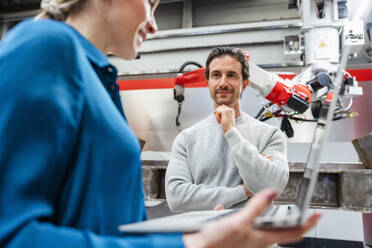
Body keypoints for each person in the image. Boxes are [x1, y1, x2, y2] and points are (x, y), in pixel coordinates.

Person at [0, 0, 320, 247]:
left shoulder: (95, 75)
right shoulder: (45, 47)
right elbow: (13, 234)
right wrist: (195, 242)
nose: (153, 26)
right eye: (151, 4)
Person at [165, 47, 289, 213]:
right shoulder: (187, 138)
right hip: (206, 237)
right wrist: (242, 192)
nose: (223, 83)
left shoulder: (270, 135)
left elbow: (273, 186)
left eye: (231, 75)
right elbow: (177, 198)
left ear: (244, 84)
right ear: (208, 81)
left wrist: (231, 131)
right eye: (216, 75)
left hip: (253, 237)